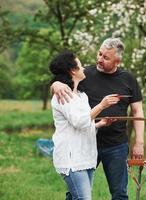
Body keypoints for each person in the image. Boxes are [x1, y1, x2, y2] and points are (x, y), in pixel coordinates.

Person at [51, 38, 145, 200]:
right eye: (99, 54)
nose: (99, 59)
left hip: (116, 145)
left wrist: (139, 142)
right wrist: (55, 85)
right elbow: (63, 81)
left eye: (106, 57)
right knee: (76, 193)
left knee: (120, 193)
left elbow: (137, 111)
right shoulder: (84, 74)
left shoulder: (128, 79)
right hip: (84, 145)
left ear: (118, 61)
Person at [49, 50, 120, 200]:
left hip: (86, 158)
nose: (84, 69)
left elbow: (83, 125)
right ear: (72, 71)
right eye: (80, 66)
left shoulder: (81, 96)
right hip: (72, 160)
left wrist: (99, 124)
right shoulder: (63, 95)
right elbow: (79, 121)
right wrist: (101, 105)